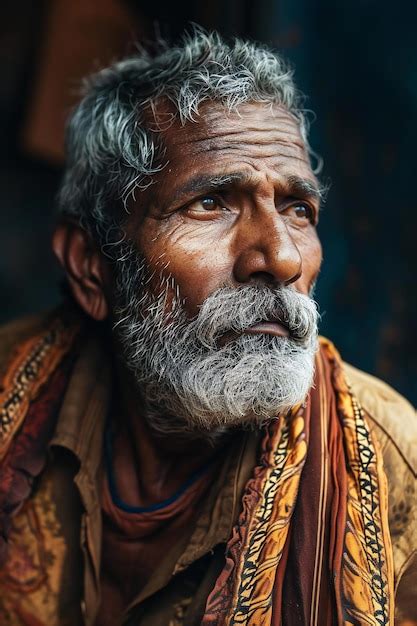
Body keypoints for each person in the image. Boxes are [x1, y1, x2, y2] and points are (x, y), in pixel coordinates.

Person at [0, 29, 415, 626]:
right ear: (93, 269)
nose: (281, 258)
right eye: (211, 203)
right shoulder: (11, 387)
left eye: (299, 208)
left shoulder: (399, 469)